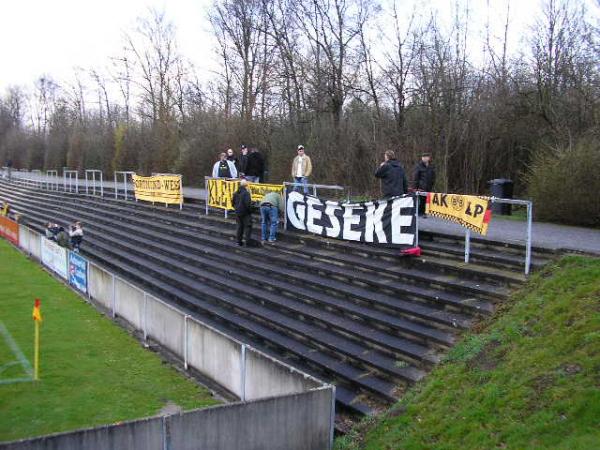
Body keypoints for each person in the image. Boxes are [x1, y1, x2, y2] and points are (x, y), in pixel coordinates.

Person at [411, 152, 436, 216]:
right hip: (421, 187)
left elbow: (433, 176)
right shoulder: (418, 166)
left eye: (426, 157)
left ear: (429, 158)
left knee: (426, 201)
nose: (424, 158)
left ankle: (424, 212)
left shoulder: (431, 166)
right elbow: (415, 177)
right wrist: (415, 188)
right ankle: (420, 213)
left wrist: (432, 184)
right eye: (423, 157)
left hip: (429, 187)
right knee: (421, 201)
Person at [232, 179, 253, 246]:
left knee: (239, 227)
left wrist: (236, 208)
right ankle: (247, 242)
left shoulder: (235, 193)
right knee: (248, 226)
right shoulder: (246, 193)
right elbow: (248, 204)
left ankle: (238, 242)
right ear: (246, 186)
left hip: (237, 212)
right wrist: (250, 211)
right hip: (245, 213)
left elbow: (232, 203)